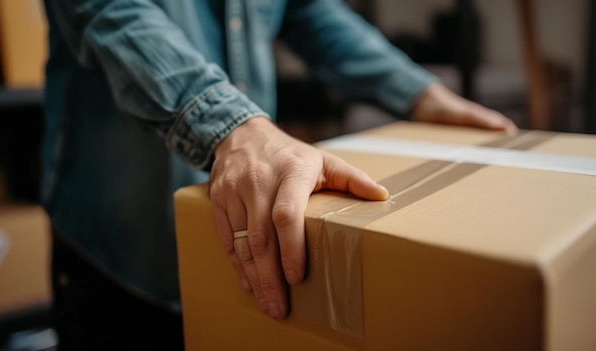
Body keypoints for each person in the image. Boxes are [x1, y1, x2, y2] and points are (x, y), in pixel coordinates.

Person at [40, 0, 517, 349]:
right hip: (122, 249)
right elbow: (110, 11)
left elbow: (306, 11)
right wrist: (231, 127)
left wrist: (421, 94)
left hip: (246, 244)